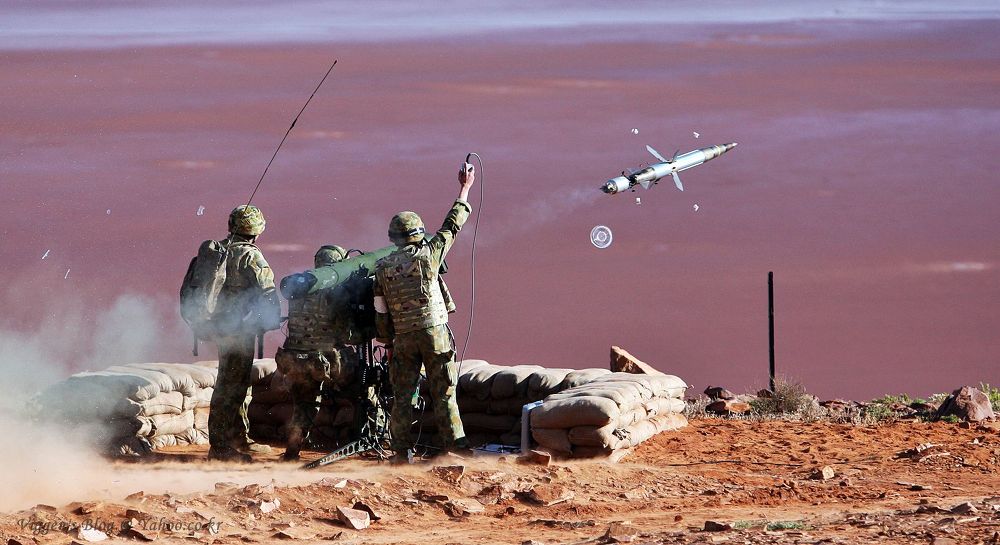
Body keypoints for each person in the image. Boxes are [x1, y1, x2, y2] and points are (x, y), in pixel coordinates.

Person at [373, 161, 475, 461]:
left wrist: (386, 341)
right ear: (418, 233)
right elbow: (452, 225)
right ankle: (455, 447)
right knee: (443, 391)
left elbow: (381, 310)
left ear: (393, 238)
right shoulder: (429, 254)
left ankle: (400, 452)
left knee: (402, 396)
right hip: (434, 333)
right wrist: (465, 188)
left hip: (403, 338)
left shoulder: (382, 267)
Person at [208, 205, 282, 462]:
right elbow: (267, 293)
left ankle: (238, 437)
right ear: (257, 231)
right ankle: (220, 447)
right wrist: (268, 321)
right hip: (240, 330)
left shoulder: (219, 251)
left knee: (236, 382)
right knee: (231, 386)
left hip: (221, 327)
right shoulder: (250, 256)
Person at [275, 245, 358, 461]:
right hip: (325, 362)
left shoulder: (298, 288)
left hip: (294, 359)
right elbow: (348, 334)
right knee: (364, 388)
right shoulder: (335, 291)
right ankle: (362, 439)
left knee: (303, 405)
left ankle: (292, 452)